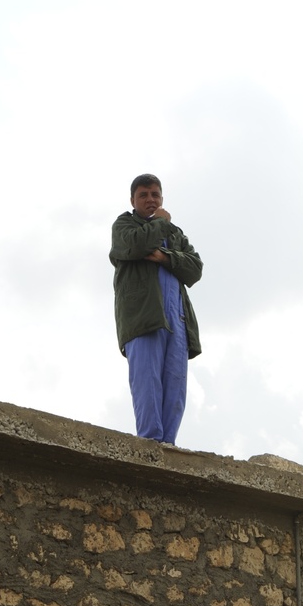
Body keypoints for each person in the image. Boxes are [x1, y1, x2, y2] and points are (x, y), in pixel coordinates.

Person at [110, 174, 203, 445]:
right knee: (147, 383)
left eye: (155, 194)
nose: (150, 199)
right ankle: (149, 443)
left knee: (175, 389)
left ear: (162, 198)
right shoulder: (125, 225)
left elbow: (195, 269)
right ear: (133, 200)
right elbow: (136, 245)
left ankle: (168, 446)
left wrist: (164, 257)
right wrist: (160, 222)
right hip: (145, 318)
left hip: (178, 320)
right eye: (143, 195)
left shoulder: (175, 235)